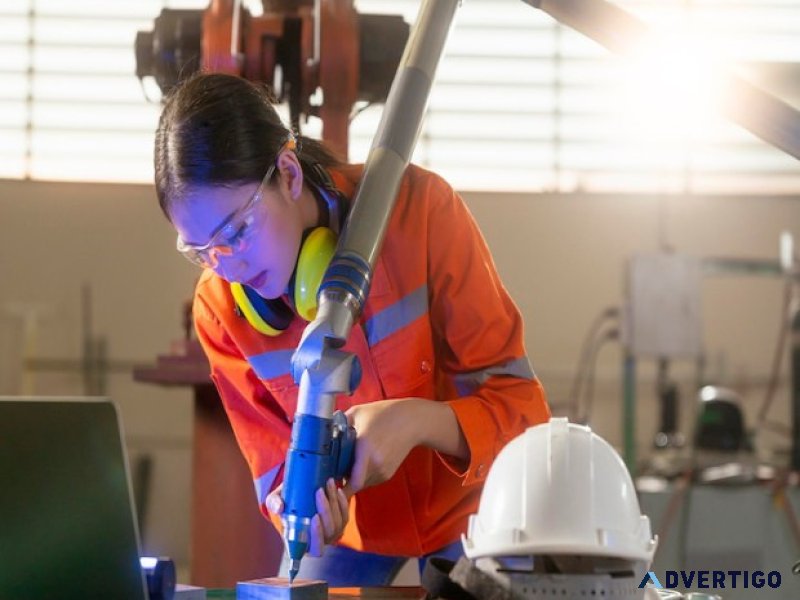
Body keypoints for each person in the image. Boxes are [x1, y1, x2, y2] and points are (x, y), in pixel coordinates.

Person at [153, 72, 550, 586]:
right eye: (201, 249)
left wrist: (418, 422)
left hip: (476, 505)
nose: (225, 266)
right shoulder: (219, 307)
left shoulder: (421, 212)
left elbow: (524, 415)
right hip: (354, 532)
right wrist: (299, 510)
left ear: (289, 173)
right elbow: (273, 468)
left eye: (237, 230)